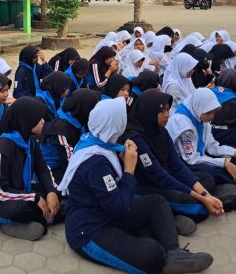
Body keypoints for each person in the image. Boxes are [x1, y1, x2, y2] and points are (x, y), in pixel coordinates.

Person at [60, 98, 214, 274]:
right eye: (122, 119)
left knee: (156, 202)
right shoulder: (95, 162)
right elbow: (119, 207)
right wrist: (129, 169)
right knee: (153, 254)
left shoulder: (100, 141)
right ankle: (156, 238)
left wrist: (123, 159)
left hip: (108, 213)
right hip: (89, 231)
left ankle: (174, 252)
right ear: (114, 124)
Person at [119, 90, 236, 229]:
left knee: (206, 178)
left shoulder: (160, 130)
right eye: (162, 111)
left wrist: (206, 194)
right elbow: (158, 176)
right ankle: (173, 215)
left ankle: (211, 200)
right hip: (146, 186)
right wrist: (202, 197)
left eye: (168, 109)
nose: (167, 114)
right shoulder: (136, 138)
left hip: (166, 176)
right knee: (188, 203)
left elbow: (176, 165)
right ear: (149, 112)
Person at [0, 98, 60, 241]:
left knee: (57, 192)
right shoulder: (3, 148)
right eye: (38, 119)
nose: (43, 121)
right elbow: (1, 191)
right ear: (27, 120)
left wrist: (51, 191)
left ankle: (42, 218)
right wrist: (35, 197)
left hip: (19, 190)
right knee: (23, 208)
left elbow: (43, 169)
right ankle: (18, 222)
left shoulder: (29, 141)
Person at [167, 88, 236, 185]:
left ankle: (232, 175)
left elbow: (212, 146)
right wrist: (223, 163)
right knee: (213, 175)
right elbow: (191, 159)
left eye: (213, 112)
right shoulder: (183, 124)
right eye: (209, 112)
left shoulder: (200, 118)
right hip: (184, 161)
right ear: (198, 107)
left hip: (199, 155)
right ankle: (230, 176)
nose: (212, 116)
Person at [40, 89, 101, 184]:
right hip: (52, 169)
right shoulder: (61, 129)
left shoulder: (76, 119)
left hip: (65, 163)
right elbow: (69, 161)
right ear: (85, 108)